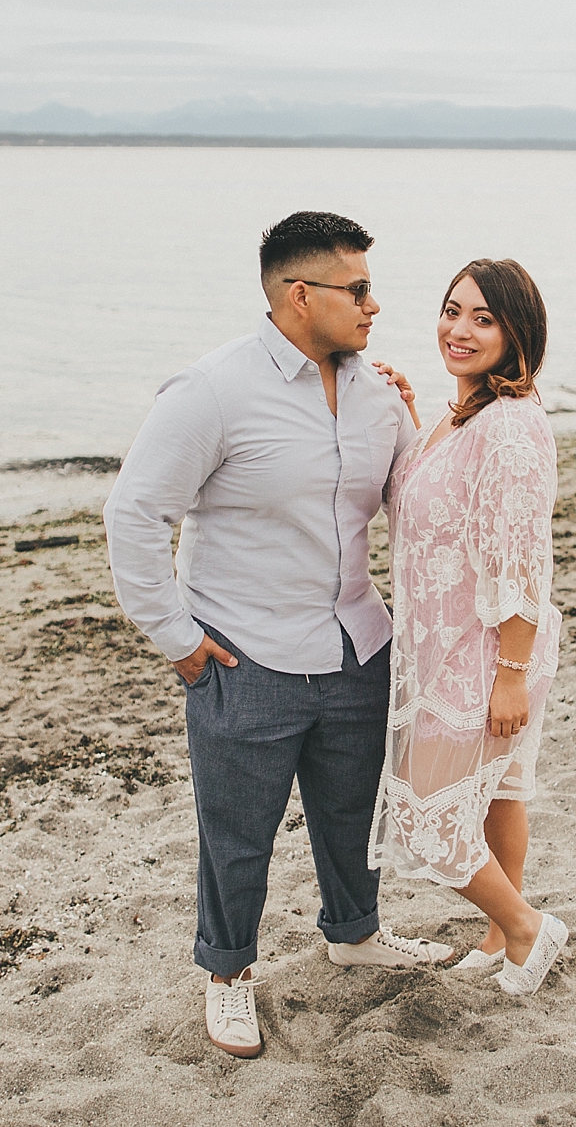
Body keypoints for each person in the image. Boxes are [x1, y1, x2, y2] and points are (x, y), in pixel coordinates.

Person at [103, 211, 454, 1061]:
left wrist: (444, 419)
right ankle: (227, 975)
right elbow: (136, 514)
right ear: (301, 296)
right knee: (237, 832)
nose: (375, 304)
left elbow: (414, 507)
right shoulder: (212, 390)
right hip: (244, 655)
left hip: (356, 645)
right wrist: (177, 638)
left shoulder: (378, 394)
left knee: (352, 811)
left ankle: (356, 932)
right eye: (358, 287)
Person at [368, 258, 570, 996]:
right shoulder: (462, 416)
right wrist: (408, 411)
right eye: (453, 310)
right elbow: (427, 508)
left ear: (517, 332)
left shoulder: (511, 427)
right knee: (501, 792)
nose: (459, 328)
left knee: (425, 817)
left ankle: (525, 927)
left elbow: (520, 559)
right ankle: (499, 939)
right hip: (452, 642)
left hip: (486, 649)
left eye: (483, 318)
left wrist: (510, 674)